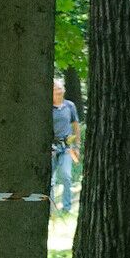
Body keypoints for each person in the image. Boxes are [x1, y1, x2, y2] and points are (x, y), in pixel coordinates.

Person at [51, 75, 80, 219]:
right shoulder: (47, 107)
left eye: (60, 88)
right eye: (56, 88)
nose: (58, 90)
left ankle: (66, 208)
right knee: (50, 180)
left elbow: (76, 126)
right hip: (51, 148)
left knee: (67, 177)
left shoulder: (70, 106)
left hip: (67, 148)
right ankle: (50, 210)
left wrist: (77, 146)